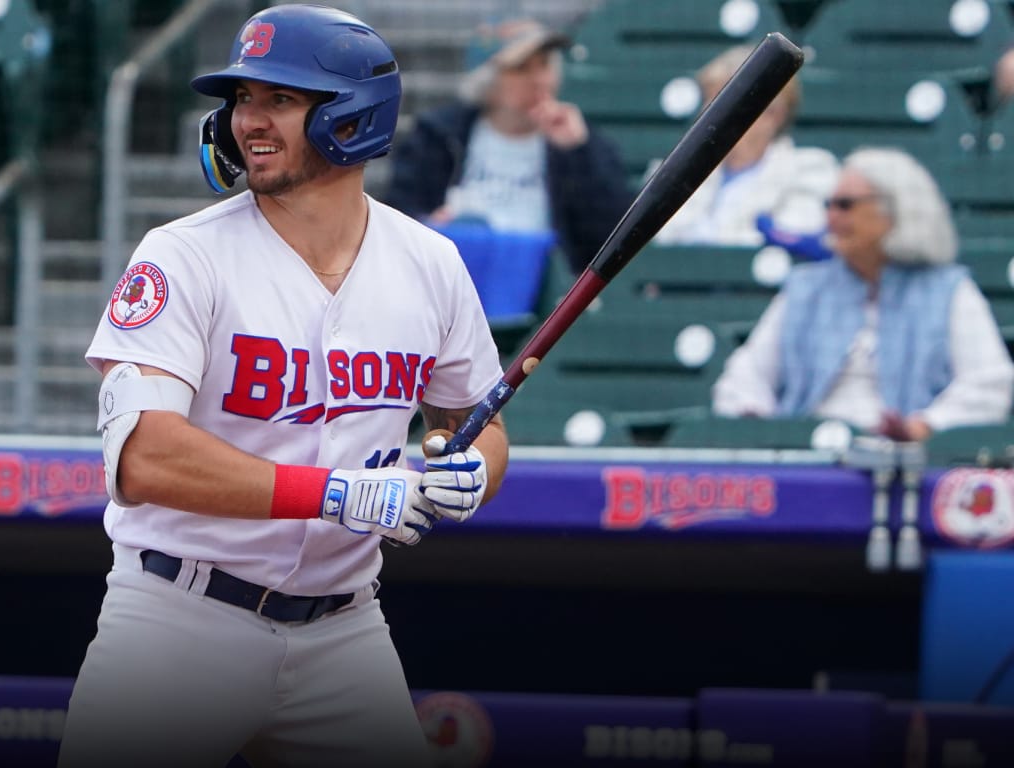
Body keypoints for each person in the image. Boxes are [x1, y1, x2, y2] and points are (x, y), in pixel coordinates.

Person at [63, 5, 510, 767]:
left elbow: (475, 423)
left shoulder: (431, 264)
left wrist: (468, 469)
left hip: (344, 628)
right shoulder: (181, 257)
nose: (249, 122)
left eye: (280, 99)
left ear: (353, 115)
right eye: (242, 99)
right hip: (180, 618)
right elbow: (144, 460)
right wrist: (339, 493)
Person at [712, 147, 1014, 441]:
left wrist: (925, 426)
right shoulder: (805, 287)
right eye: (828, 204)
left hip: (904, 467)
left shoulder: (950, 290)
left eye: (845, 205)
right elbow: (744, 377)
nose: (831, 216)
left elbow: (990, 381)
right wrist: (765, 428)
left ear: (896, 209)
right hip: (808, 456)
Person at [383, 17, 633, 275]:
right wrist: (428, 227)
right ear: (488, 80)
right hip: (457, 276)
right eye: (521, 68)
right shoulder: (439, 135)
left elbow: (611, 236)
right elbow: (399, 216)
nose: (538, 79)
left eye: (545, 65)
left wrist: (581, 152)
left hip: (548, 290)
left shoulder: (581, 141)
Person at [656, 44, 839, 248]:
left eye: (723, 104)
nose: (707, 114)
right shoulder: (673, 171)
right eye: (708, 100)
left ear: (773, 115)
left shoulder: (810, 169)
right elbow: (656, 244)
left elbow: (788, 243)